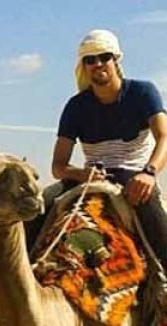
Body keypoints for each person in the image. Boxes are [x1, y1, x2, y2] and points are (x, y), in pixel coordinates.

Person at [26, 29, 167, 283]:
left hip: (135, 178)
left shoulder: (143, 93)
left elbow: (164, 137)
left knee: (158, 226)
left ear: (116, 60)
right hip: (89, 178)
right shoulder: (76, 107)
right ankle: (21, 288)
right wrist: (80, 174)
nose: (98, 64)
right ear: (84, 66)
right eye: (90, 59)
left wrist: (148, 173)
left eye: (104, 56)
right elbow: (58, 166)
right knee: (37, 207)